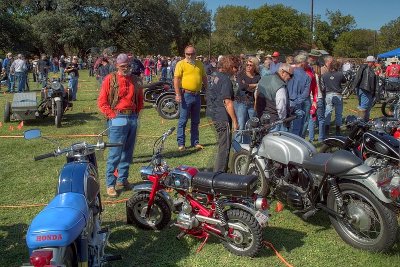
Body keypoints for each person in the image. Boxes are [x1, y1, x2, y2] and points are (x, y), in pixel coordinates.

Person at [98, 53, 144, 197]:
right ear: (117, 66)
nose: (126, 68)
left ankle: (122, 180)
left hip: (132, 117)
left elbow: (140, 98)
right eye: (123, 66)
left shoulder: (135, 80)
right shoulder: (109, 79)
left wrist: (136, 112)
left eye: (128, 65)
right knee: (115, 153)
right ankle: (110, 184)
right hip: (117, 116)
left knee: (128, 152)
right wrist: (112, 116)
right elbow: (102, 102)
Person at [206, 55, 240, 172]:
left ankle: (221, 169)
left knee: (222, 144)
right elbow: (228, 102)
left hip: (212, 113)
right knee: (224, 146)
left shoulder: (214, 75)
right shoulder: (225, 80)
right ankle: (219, 173)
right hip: (221, 116)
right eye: (236, 67)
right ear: (230, 66)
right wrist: (235, 121)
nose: (237, 70)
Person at [174, 45, 208, 151]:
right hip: (185, 95)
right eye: (187, 54)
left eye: (192, 53)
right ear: (185, 54)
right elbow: (176, 80)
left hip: (197, 95)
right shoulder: (180, 64)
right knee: (183, 120)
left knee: (196, 120)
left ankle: (195, 142)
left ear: (195, 54)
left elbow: (204, 78)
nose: (189, 55)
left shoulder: (200, 64)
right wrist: (178, 94)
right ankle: (181, 144)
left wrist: (208, 91)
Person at [255, 63, 294, 132]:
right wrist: (283, 120)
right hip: (275, 122)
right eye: (290, 75)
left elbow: (256, 94)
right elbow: (281, 106)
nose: (290, 78)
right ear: (282, 72)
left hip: (262, 118)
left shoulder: (264, 79)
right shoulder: (280, 86)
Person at [233, 56, 261, 143]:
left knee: (251, 126)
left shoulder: (257, 76)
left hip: (252, 103)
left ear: (255, 66)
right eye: (247, 65)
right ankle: (237, 147)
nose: (248, 67)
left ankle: (247, 146)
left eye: (250, 65)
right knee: (240, 126)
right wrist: (254, 85)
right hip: (240, 102)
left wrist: (248, 85)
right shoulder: (241, 74)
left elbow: (259, 87)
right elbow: (242, 87)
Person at [287, 54, 311, 137]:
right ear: (302, 63)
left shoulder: (288, 73)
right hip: (299, 102)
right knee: (300, 124)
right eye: (307, 62)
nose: (308, 64)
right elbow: (306, 93)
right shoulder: (306, 76)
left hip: (289, 101)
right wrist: (298, 101)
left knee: (289, 125)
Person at [321, 60, 346, 135]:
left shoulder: (325, 75)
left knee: (328, 112)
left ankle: (326, 129)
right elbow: (344, 81)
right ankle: (337, 130)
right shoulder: (340, 74)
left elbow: (323, 85)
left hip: (328, 94)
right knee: (338, 113)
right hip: (337, 94)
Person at [352, 55, 378, 121]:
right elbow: (369, 82)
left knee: (365, 106)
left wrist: (354, 87)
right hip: (365, 89)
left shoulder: (363, 67)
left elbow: (357, 78)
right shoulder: (367, 69)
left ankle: (364, 121)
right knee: (364, 106)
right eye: (373, 62)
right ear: (371, 62)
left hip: (361, 89)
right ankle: (360, 123)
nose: (374, 63)